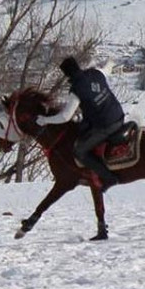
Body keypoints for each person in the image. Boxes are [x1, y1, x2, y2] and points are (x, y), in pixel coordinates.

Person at [37, 56, 126, 190]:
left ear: (66, 74)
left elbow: (65, 117)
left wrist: (45, 120)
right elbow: (107, 69)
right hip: (119, 115)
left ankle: (108, 178)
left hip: (106, 125)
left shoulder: (76, 90)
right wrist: (111, 61)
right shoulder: (96, 73)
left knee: (80, 151)